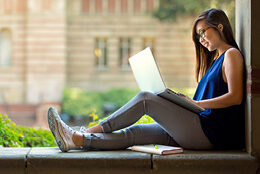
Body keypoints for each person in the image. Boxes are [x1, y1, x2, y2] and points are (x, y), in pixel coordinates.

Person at [48, 8, 245, 152]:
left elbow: (235, 97)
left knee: (145, 99)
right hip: (199, 130)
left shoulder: (231, 55)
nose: (201, 38)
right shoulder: (216, 60)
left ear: (220, 26)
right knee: (135, 133)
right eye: (198, 35)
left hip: (210, 134)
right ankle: (77, 139)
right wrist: (182, 103)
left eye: (203, 32)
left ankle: (86, 130)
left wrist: (196, 103)